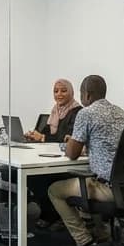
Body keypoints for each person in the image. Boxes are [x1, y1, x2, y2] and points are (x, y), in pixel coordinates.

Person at [48, 74, 124, 246]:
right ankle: (101, 234)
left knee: (55, 190)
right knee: (90, 180)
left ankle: (84, 241)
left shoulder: (86, 113)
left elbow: (72, 154)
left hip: (107, 188)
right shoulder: (121, 113)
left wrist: (72, 141)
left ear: (86, 95)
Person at [24, 78, 83, 230]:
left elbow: (66, 137)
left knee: (37, 178)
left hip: (68, 162)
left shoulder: (77, 112)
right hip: (53, 157)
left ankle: (54, 215)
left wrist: (43, 138)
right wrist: (34, 135)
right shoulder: (55, 111)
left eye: (63, 90)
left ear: (72, 92)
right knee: (33, 177)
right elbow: (46, 132)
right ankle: (51, 214)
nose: (59, 94)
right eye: (56, 91)